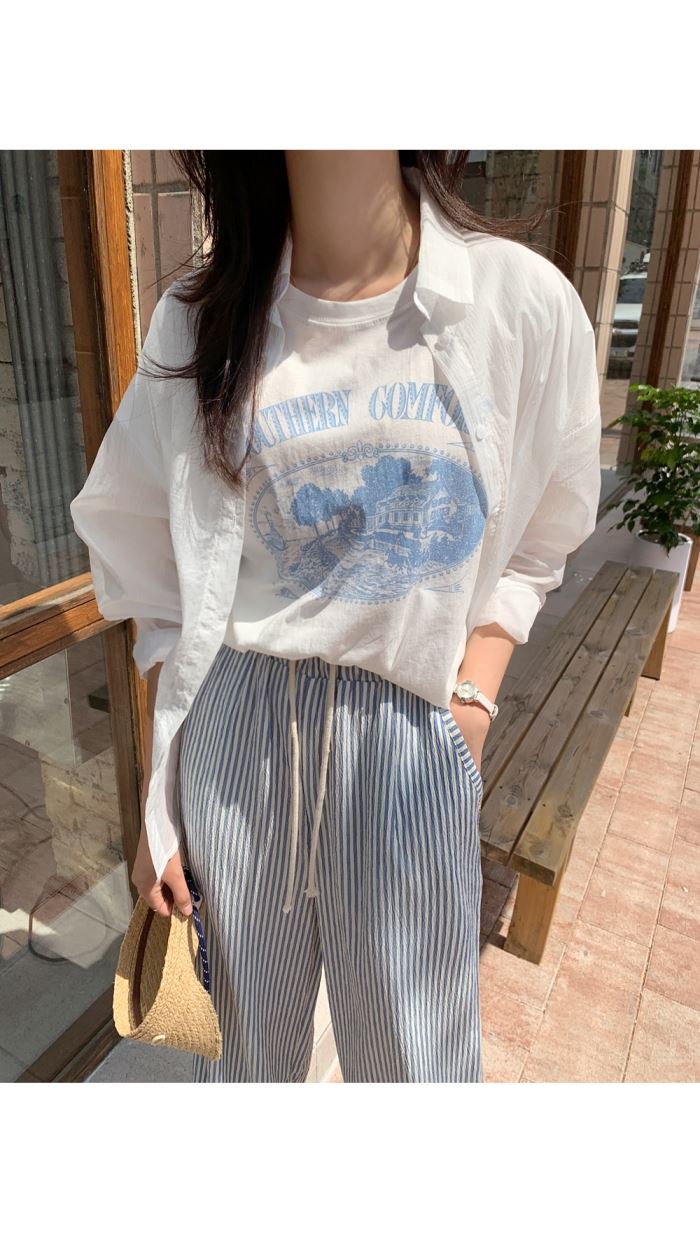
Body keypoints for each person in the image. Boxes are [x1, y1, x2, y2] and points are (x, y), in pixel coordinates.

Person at [70, 150, 602, 1083]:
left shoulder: (519, 303)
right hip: (240, 733)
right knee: (245, 1063)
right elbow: (144, 560)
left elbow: (542, 534)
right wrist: (164, 794)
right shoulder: (201, 317)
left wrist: (473, 697)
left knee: (418, 1064)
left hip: (409, 738)